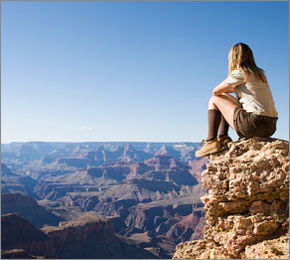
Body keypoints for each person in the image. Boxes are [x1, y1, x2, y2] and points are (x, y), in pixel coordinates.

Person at [195, 42, 278, 158]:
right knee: (224, 98)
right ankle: (223, 138)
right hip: (270, 126)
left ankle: (211, 141)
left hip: (254, 124)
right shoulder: (260, 74)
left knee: (215, 99)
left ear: (234, 58)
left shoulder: (240, 73)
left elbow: (215, 91)